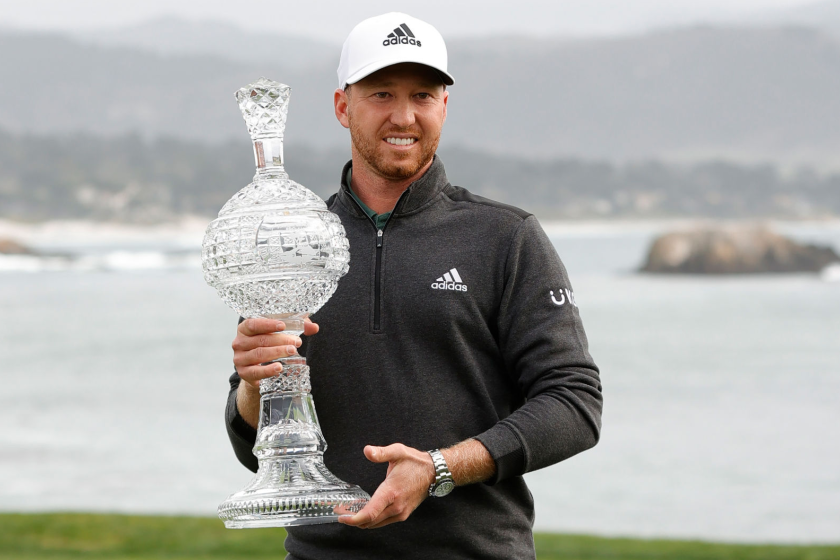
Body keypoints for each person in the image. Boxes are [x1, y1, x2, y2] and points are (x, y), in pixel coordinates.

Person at [225, 12, 602, 560]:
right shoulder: (290, 243)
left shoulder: (505, 237)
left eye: (423, 95)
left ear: (444, 106)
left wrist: (440, 468)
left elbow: (574, 404)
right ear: (341, 106)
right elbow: (254, 449)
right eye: (381, 93)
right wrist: (254, 384)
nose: (404, 116)